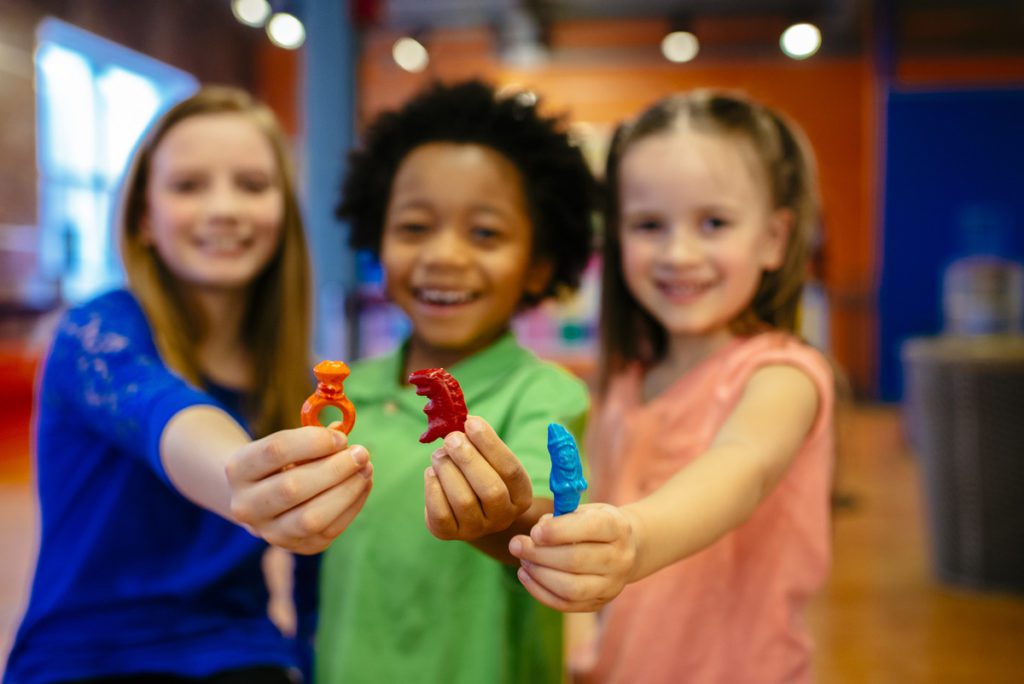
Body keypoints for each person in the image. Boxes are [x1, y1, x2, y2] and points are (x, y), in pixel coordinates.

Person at [4, 86, 372, 684]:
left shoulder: (298, 383)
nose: (223, 207)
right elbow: (165, 415)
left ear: (283, 214)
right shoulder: (95, 334)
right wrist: (246, 474)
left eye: (252, 185)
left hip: (238, 647)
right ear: (144, 218)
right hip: (86, 653)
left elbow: (315, 584)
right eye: (188, 185)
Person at [508, 90, 836, 683]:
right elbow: (591, 516)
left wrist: (633, 539)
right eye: (649, 224)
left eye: (713, 223)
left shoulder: (784, 375)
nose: (679, 253)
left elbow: (742, 467)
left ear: (774, 239)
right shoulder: (628, 379)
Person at [312, 80, 595, 683]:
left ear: (539, 264)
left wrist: (504, 518)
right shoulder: (343, 396)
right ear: (376, 241)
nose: (444, 255)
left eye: (485, 233)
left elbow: (543, 527)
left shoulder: (545, 396)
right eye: (415, 227)